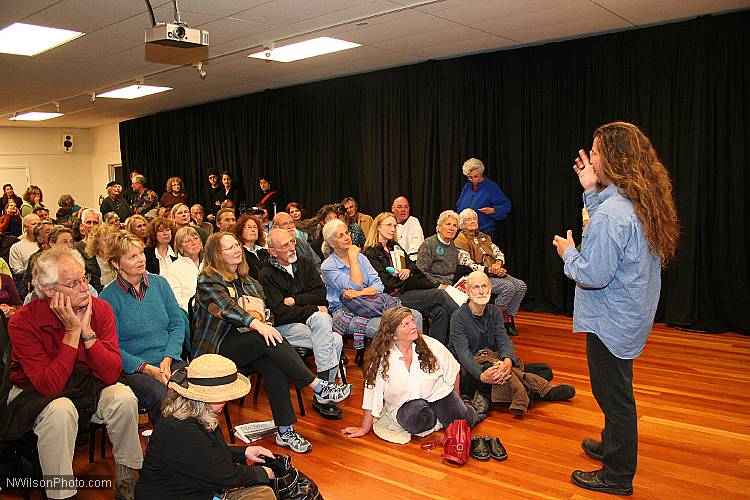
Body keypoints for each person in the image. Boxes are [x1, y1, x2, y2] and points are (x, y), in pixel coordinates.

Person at [552, 122, 679, 496]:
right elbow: (607, 219)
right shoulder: (637, 201)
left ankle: (618, 474)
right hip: (630, 316)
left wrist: (568, 253)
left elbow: (593, 274)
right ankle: (611, 446)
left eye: (594, 152)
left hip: (610, 321)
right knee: (616, 387)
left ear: (611, 158)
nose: (589, 158)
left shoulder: (613, 215)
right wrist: (591, 189)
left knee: (615, 397)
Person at [193, 232, 352, 453]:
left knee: (274, 364)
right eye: (229, 248)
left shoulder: (251, 283)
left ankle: (285, 431)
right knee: (264, 336)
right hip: (219, 347)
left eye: (237, 245)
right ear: (216, 254)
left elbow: (269, 315)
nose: (237, 249)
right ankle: (317, 385)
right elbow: (227, 307)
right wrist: (258, 325)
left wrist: (264, 322)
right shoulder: (209, 278)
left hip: (252, 344)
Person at [4, 247, 142, 499]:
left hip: (85, 383)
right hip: (32, 391)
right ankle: (61, 494)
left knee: (123, 397)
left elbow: (111, 374)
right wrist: (71, 331)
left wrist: (87, 333)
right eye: (74, 283)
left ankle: (126, 476)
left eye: (85, 279)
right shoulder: (23, 321)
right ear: (49, 290)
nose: (84, 288)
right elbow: (48, 385)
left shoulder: (99, 309)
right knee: (60, 411)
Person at [134, 354, 277, 500]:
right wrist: (263, 473)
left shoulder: (192, 412)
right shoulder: (184, 429)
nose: (227, 400)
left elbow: (205, 454)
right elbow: (225, 475)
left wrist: (244, 451)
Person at [341, 306, 481, 443]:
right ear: (393, 334)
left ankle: (467, 403)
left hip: (438, 393)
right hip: (406, 404)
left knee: (462, 423)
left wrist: (456, 401)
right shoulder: (382, 360)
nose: (413, 326)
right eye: (406, 324)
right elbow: (372, 393)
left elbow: (453, 369)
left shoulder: (430, 344)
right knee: (415, 422)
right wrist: (364, 428)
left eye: (412, 321)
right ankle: (436, 417)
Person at [450, 271, 575, 418]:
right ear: (467, 291)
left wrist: (508, 361)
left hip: (495, 364)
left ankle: (490, 396)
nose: (481, 291)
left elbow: (504, 340)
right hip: (471, 371)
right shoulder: (458, 317)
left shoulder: (494, 312)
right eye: (476, 287)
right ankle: (542, 392)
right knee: (488, 375)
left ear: (490, 288)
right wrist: (482, 375)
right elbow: (464, 354)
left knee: (545, 370)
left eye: (484, 286)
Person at [100, 231, 186, 424]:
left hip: (167, 360)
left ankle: (194, 444)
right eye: (132, 256)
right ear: (116, 263)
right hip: (134, 369)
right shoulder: (107, 298)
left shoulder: (160, 284)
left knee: (196, 385)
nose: (141, 259)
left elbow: (177, 324)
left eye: (140, 253)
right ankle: (164, 447)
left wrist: (168, 357)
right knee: (163, 395)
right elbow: (110, 348)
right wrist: (147, 368)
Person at [259, 228, 345, 419]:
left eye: (292, 242)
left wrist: (295, 300)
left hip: (309, 321)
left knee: (324, 321)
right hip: (286, 327)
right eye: (285, 245)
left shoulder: (304, 263)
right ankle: (323, 394)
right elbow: (281, 312)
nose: (292, 248)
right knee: (335, 339)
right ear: (272, 251)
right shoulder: (266, 274)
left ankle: (322, 392)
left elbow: (320, 295)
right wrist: (312, 308)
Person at [321, 219, 422, 351]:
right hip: (347, 311)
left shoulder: (362, 258)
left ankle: (418, 357)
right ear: (331, 243)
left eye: (347, 233)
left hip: (373, 304)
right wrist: (352, 257)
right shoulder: (328, 267)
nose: (347, 237)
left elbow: (379, 285)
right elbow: (355, 287)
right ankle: (392, 365)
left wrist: (360, 293)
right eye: (341, 235)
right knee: (393, 326)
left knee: (415, 316)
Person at [363, 212, 458, 345]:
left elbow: (414, 267)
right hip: (392, 297)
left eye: (394, 226)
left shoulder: (394, 246)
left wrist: (407, 270)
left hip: (406, 291)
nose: (392, 229)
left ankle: (436, 351)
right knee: (440, 294)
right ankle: (468, 320)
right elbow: (386, 283)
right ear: (378, 227)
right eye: (389, 225)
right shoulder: (370, 253)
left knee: (440, 311)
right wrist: (405, 278)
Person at [454, 208, 527, 336]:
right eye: (469, 219)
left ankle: (505, 320)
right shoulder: (460, 241)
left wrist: (498, 263)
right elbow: (468, 264)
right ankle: (494, 322)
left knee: (521, 286)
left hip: (495, 272)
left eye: (475, 218)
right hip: (479, 276)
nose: (473, 221)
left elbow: (498, 252)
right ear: (462, 224)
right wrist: (489, 270)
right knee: (508, 287)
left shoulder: (484, 236)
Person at [455, 157, 511, 234]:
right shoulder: (467, 186)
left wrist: (494, 210)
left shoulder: (491, 187)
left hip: (482, 233)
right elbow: (459, 205)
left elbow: (505, 206)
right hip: (464, 233)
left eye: (476, 176)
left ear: (481, 173)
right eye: (470, 177)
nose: (473, 180)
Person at [416, 210, 463, 286]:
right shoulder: (429, 244)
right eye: (448, 224)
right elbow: (421, 272)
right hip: (433, 286)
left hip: (451, 286)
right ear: (439, 227)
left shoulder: (453, 246)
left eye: (455, 226)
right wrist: (438, 285)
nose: (452, 228)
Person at [163, 226, 203, 312]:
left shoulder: (209, 262)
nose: (194, 242)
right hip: (190, 315)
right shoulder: (174, 268)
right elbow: (176, 300)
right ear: (180, 247)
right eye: (188, 241)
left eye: (196, 238)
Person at [234, 214, 269, 279]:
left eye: (255, 227)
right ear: (240, 231)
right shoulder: (239, 253)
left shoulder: (264, 251)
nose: (253, 230)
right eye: (249, 227)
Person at [84, 223, 117, 292]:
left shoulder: (118, 259)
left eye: (110, 240)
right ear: (96, 244)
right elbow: (98, 291)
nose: (109, 243)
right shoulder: (89, 266)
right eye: (105, 240)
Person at [391, 196, 424, 262]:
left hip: (410, 262)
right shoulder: (388, 223)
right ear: (392, 209)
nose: (403, 209)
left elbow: (416, 249)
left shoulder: (413, 221)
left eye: (406, 207)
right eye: (399, 207)